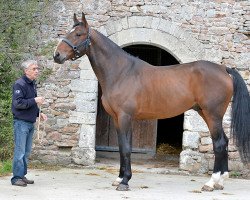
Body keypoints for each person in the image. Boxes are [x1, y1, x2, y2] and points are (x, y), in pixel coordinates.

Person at [11, 60, 47, 187]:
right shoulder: (19, 84)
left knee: (26, 152)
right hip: (21, 123)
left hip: (29, 123)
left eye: (37, 68)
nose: (37, 71)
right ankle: (16, 178)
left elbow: (30, 105)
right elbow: (18, 104)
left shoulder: (32, 84)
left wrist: (39, 114)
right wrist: (35, 100)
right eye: (34, 68)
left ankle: (22, 175)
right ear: (26, 71)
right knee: (20, 152)